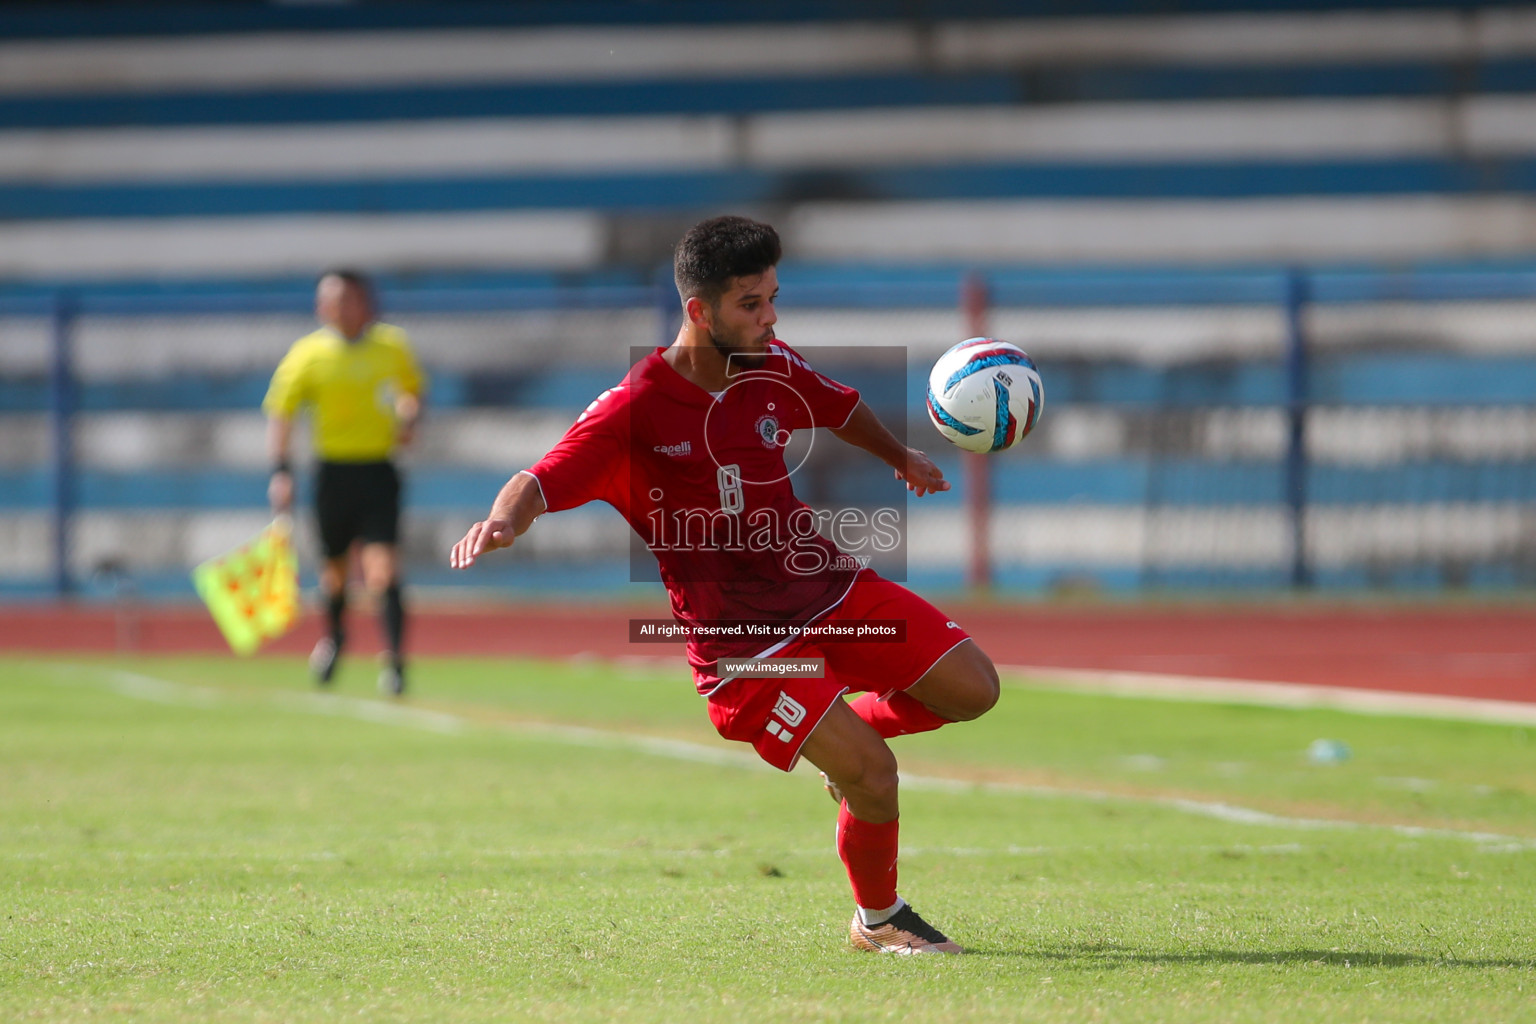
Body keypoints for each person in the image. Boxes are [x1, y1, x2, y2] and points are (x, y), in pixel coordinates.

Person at [449, 216, 998, 954]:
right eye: (751, 303)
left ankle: (852, 725)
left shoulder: (769, 361)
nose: (770, 317)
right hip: (746, 650)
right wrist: (504, 521)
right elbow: (540, 477)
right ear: (698, 311)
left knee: (974, 689)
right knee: (875, 775)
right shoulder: (634, 410)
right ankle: (880, 920)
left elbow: (838, 406)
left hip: (828, 590)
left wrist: (900, 456)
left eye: (773, 297)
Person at [264, 269, 426, 696]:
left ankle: (393, 661)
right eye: (327, 300)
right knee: (333, 575)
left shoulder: (392, 346)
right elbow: (282, 411)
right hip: (332, 475)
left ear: (364, 302)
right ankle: (335, 636)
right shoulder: (308, 354)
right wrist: (280, 471)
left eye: (343, 299)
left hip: (377, 471)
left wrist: (410, 415)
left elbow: (411, 393)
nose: (333, 307)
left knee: (382, 571)